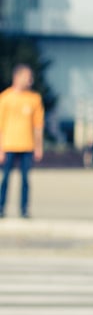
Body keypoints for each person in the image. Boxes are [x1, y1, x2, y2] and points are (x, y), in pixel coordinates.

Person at [0, 64, 44, 218]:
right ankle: (1, 207)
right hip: (9, 145)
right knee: (5, 179)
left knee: (25, 180)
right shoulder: (5, 98)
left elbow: (38, 126)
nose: (30, 80)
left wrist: (39, 147)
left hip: (27, 145)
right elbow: (1, 126)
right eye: (27, 77)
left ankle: (24, 209)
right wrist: (0, 149)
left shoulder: (34, 99)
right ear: (17, 77)